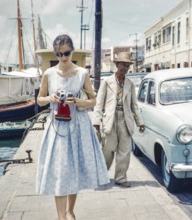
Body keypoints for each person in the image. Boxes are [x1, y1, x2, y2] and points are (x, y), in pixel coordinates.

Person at [35, 34, 110, 220]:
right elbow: (39, 100)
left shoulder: (82, 73)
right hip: (57, 128)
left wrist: (77, 101)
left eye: (67, 53)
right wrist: (49, 98)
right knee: (60, 170)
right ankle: (62, 216)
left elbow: (93, 102)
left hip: (78, 127)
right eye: (59, 54)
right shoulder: (48, 74)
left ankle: (70, 210)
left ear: (72, 51)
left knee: (73, 169)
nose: (63, 57)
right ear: (56, 54)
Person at [93, 52, 145, 188]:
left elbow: (134, 105)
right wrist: (97, 121)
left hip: (125, 119)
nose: (125, 68)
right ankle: (102, 175)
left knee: (124, 151)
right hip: (110, 119)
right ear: (117, 65)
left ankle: (121, 178)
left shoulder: (130, 84)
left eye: (127, 65)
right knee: (108, 150)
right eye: (123, 64)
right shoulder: (107, 82)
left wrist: (140, 122)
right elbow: (99, 103)